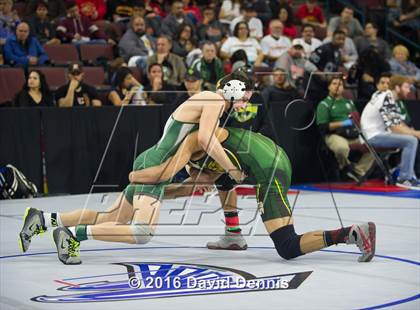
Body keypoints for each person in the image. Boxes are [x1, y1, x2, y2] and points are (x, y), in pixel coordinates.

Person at [20, 71, 254, 264]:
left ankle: (44, 219)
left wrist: (196, 178)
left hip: (155, 160)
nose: (244, 105)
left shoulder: (210, 102)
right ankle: (73, 235)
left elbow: (191, 145)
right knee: (142, 232)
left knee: (111, 217)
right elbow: (204, 139)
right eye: (244, 98)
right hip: (157, 164)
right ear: (233, 90)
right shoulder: (214, 100)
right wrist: (232, 170)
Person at [122, 127, 377, 262]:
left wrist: (136, 180)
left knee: (287, 246)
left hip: (269, 170)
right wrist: (157, 191)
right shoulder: (207, 141)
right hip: (270, 158)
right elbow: (194, 184)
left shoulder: (195, 140)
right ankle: (234, 235)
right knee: (223, 180)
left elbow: (168, 172)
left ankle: (351, 233)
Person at [361, 75, 420, 190]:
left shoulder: (389, 98)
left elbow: (400, 124)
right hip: (372, 136)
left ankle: (409, 175)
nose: (409, 90)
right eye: (406, 87)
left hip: (378, 134)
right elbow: (395, 128)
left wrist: (415, 132)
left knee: (412, 138)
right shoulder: (386, 98)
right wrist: (416, 134)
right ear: (397, 88)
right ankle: (404, 178)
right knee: (411, 141)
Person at [316, 77, 374, 181]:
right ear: (329, 87)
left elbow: (357, 119)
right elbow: (323, 126)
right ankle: (347, 168)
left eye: (340, 84)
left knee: (373, 145)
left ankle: (357, 171)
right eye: (334, 84)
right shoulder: (324, 104)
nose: (337, 86)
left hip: (353, 134)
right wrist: (343, 123)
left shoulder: (349, 103)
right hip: (334, 135)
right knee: (341, 148)